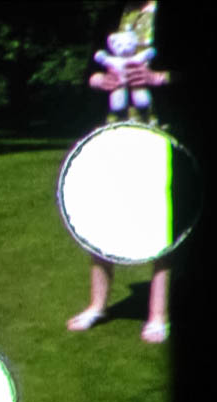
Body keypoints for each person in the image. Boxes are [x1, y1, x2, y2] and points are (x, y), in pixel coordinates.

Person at [67, 3, 174, 343]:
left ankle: (157, 314)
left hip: (160, 131)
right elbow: (90, 72)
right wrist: (101, 80)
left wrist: (159, 78)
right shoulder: (110, 13)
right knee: (100, 216)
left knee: (161, 218)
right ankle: (98, 305)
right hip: (111, 130)